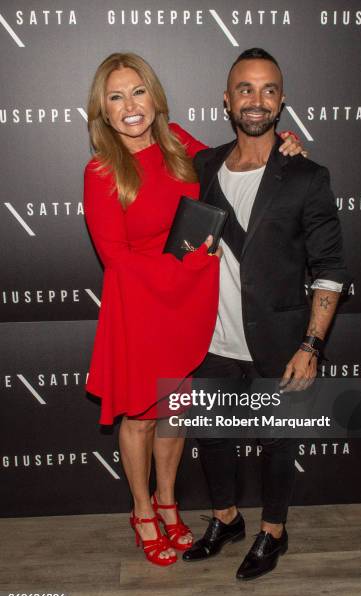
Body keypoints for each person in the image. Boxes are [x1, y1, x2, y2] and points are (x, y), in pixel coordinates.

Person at [84, 52, 302, 567]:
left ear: (155, 98)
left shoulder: (180, 141)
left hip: (185, 307)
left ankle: (168, 503)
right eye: (116, 97)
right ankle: (141, 512)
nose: (130, 105)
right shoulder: (101, 171)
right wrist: (183, 271)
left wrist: (282, 146)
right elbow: (114, 259)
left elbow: (237, 161)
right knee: (140, 417)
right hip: (139, 306)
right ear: (104, 112)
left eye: (138, 91)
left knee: (174, 415)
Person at [183, 48, 350, 580]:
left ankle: (273, 531)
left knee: (278, 442)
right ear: (226, 100)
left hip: (278, 338)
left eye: (268, 89)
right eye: (245, 89)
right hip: (209, 337)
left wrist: (312, 345)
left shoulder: (307, 176)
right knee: (212, 437)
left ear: (282, 102)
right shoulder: (201, 165)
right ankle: (226, 519)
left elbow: (329, 269)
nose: (256, 100)